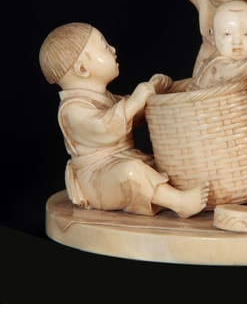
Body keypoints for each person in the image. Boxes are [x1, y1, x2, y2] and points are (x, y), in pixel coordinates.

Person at [39, 23, 209, 218]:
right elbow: (104, 128)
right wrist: (135, 102)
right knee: (132, 172)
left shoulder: (106, 98)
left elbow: (130, 118)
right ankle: (179, 203)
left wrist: (152, 94)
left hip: (122, 160)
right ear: (82, 69)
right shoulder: (71, 110)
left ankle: (170, 196)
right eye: (104, 47)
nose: (113, 49)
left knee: (161, 163)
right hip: (98, 177)